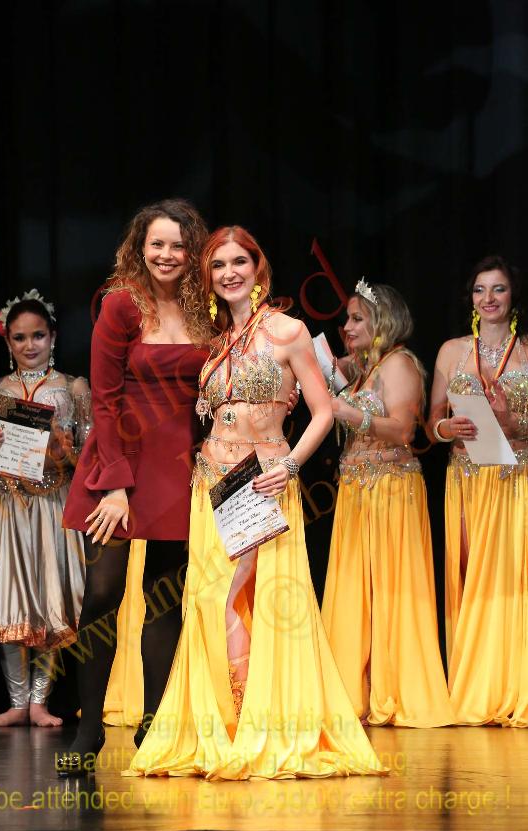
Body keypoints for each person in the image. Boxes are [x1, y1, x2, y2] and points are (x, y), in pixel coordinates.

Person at [124, 226, 386, 780]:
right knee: (208, 601)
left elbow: (321, 411)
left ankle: (264, 725)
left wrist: (290, 467)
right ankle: (222, 725)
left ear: (257, 267)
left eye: (238, 262)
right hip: (212, 485)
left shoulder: (288, 331)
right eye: (218, 265)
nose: (229, 273)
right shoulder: (214, 339)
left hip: (264, 482)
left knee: (265, 604)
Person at [57, 199, 213, 773]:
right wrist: (115, 485)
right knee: (102, 595)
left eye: (178, 246)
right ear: (140, 248)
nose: (167, 255)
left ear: (192, 253)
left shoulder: (204, 310)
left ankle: (153, 727)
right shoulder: (121, 304)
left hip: (177, 467)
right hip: (117, 462)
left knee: (164, 597)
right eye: (157, 244)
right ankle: (89, 732)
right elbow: (103, 398)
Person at [0, 291, 91, 727]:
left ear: (53, 337)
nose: (30, 345)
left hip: (52, 505)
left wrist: (66, 449)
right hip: (4, 506)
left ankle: (40, 702)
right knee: (8, 601)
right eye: (20, 337)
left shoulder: (73, 388)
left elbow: (91, 455)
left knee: (49, 600)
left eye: (38, 336)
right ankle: (18, 702)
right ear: (7, 341)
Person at [321, 279, 454, 728]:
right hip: (357, 491)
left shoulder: (399, 363)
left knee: (394, 591)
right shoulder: (363, 369)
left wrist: (349, 413)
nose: (347, 326)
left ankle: (399, 688)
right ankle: (350, 691)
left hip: (391, 490)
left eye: (357, 318)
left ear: (383, 321)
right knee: (353, 591)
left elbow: (402, 430)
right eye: (347, 318)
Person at [429, 255, 528, 726]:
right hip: (467, 479)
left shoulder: (526, 351)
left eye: (498, 289)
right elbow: (430, 422)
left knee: (513, 582)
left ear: (513, 296)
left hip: (515, 478)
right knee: (470, 580)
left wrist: (514, 422)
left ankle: (512, 682)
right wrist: (445, 427)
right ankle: (472, 685)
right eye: (479, 290)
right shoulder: (452, 351)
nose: (488, 298)